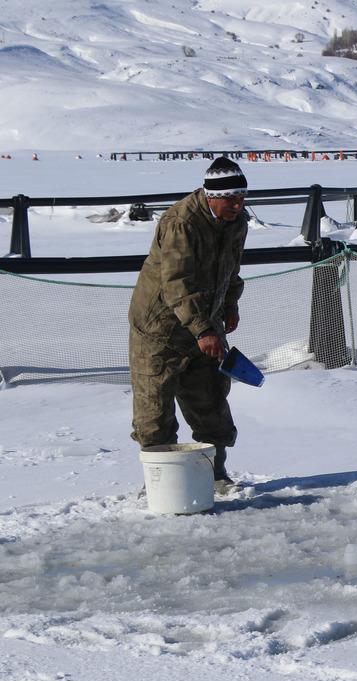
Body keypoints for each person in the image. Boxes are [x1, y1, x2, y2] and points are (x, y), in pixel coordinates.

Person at [127, 157, 249, 493]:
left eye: (242, 198)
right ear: (212, 197)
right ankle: (161, 482)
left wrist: (229, 305)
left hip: (205, 320)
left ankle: (214, 473)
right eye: (231, 199)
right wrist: (203, 330)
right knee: (154, 408)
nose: (238, 206)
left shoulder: (237, 222)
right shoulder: (181, 222)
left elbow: (231, 268)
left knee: (210, 399)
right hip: (160, 328)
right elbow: (177, 283)